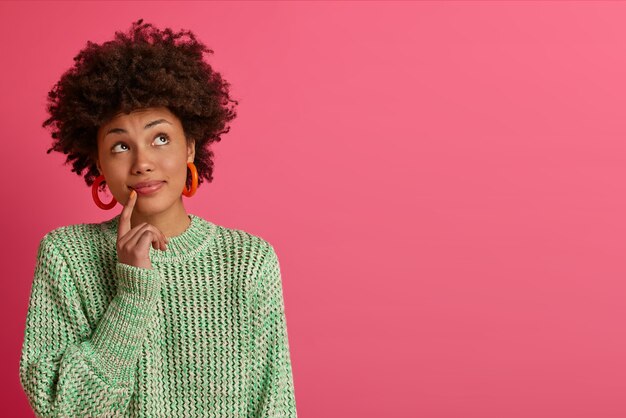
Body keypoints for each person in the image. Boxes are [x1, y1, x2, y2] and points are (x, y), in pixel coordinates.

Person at [19, 19, 297, 417]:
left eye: (160, 138)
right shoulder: (66, 255)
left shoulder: (249, 260)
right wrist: (132, 296)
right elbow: (61, 408)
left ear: (190, 147)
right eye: (119, 146)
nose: (143, 162)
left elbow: (275, 405)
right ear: (98, 161)